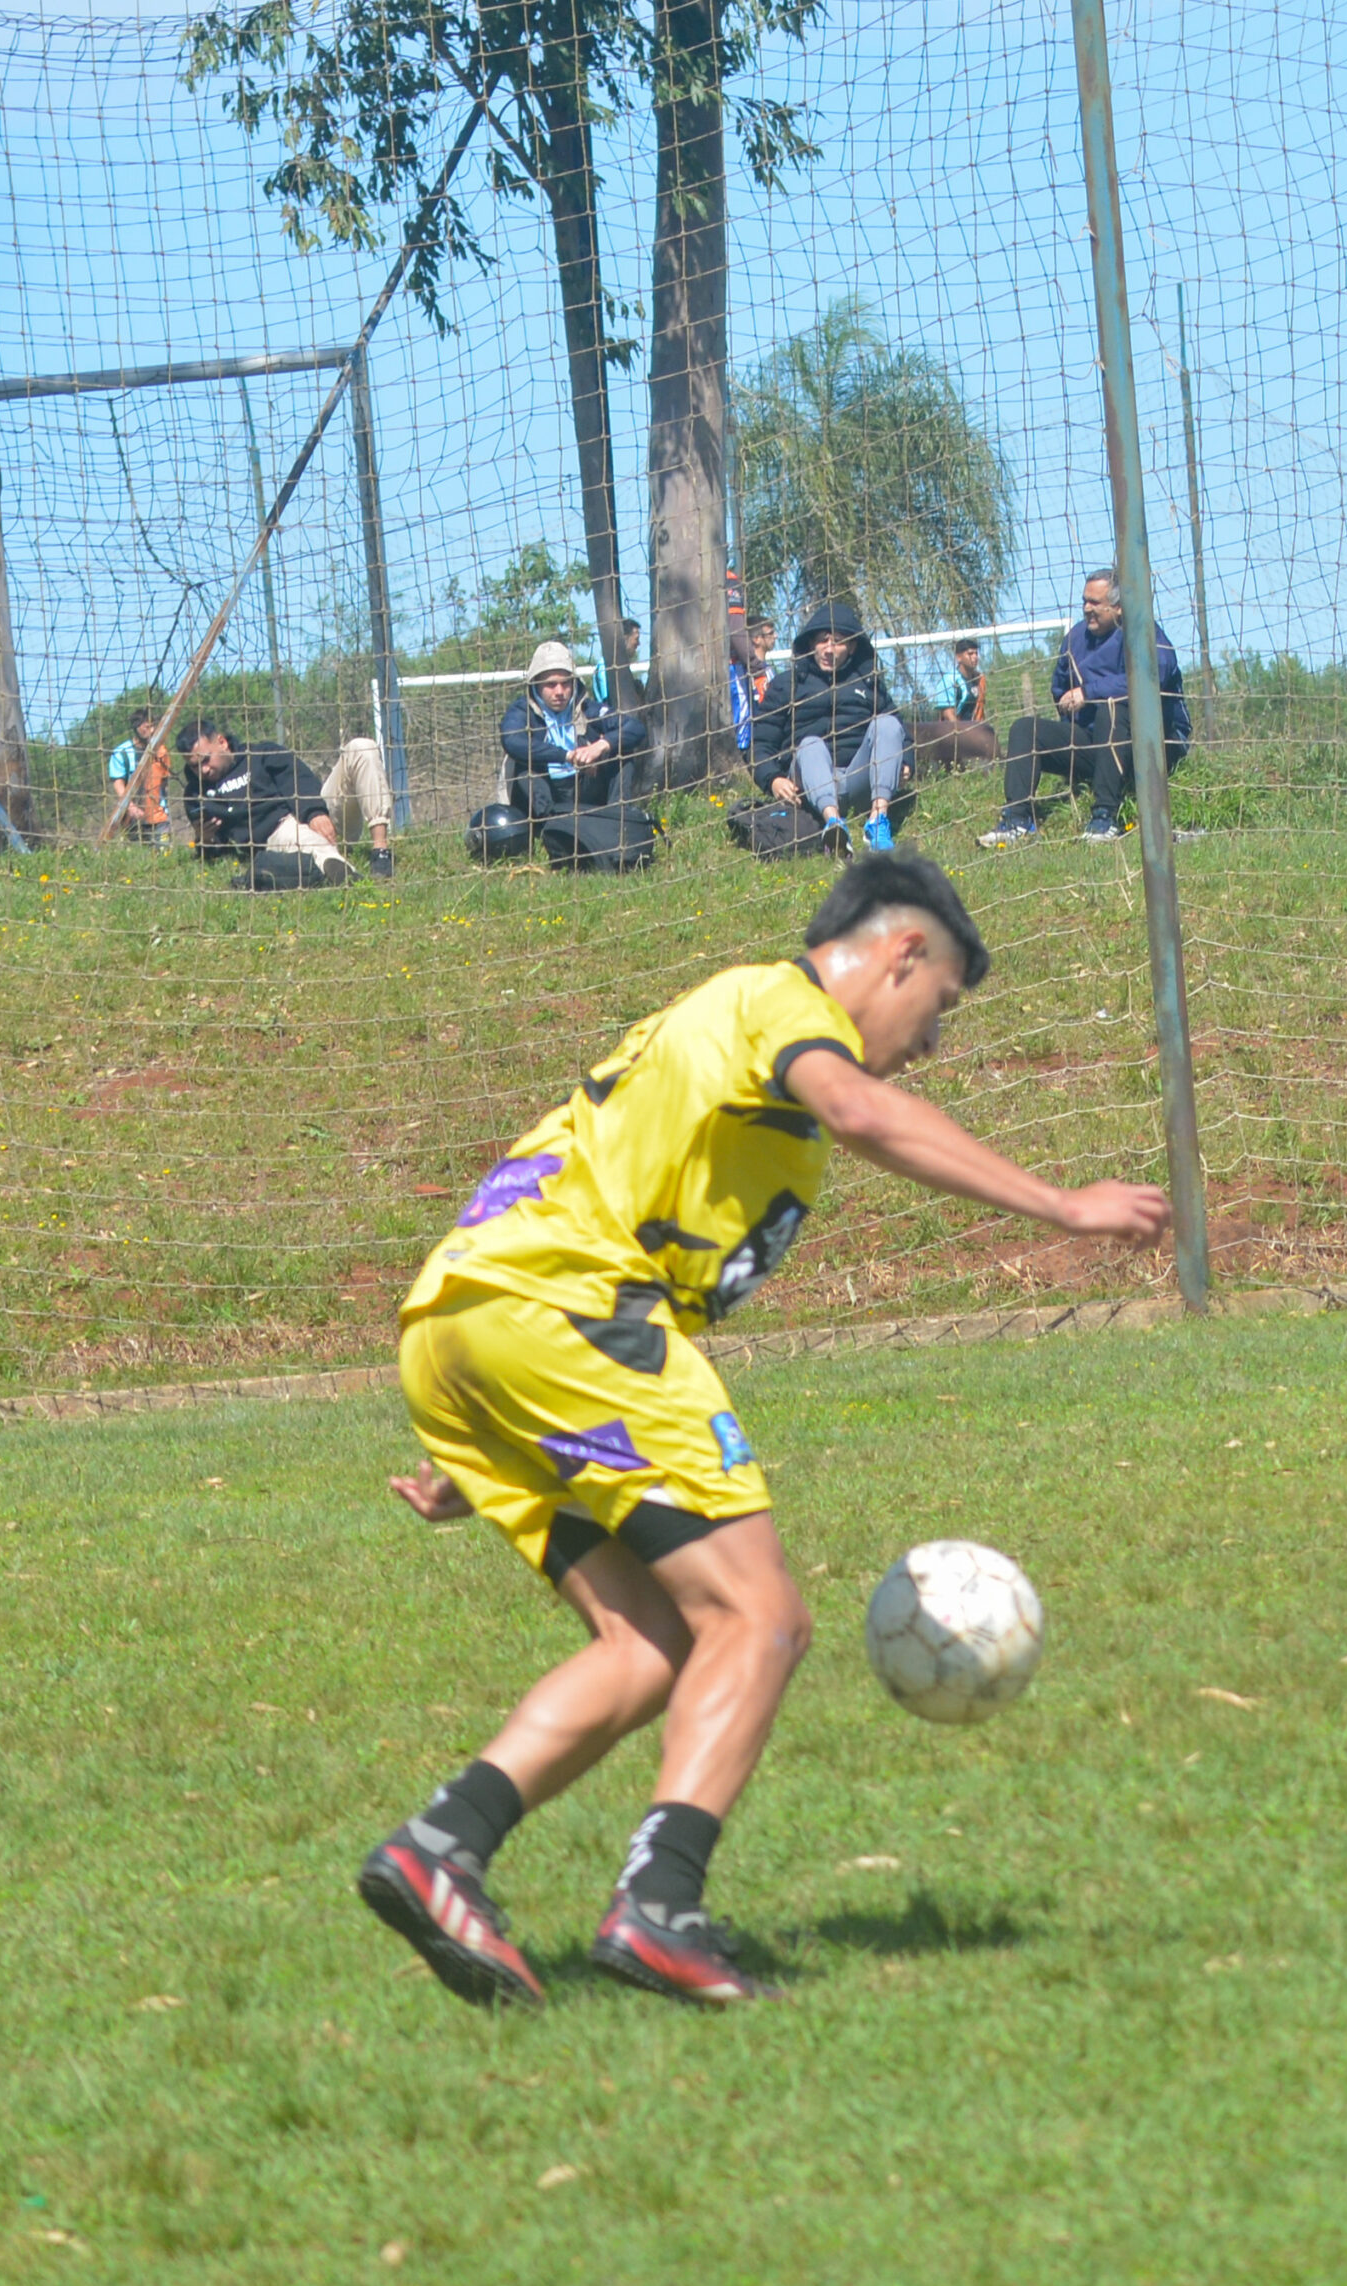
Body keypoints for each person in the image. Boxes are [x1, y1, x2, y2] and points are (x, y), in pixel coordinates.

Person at [360, 855, 1172, 2007]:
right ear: (900, 953)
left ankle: (439, 1849)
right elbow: (860, 1109)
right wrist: (1061, 1204)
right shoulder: (780, 1004)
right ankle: (661, 1909)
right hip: (574, 1313)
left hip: (465, 1324)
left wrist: (496, 1431)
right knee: (762, 1616)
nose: (930, 1043)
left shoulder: (710, 1028)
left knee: (649, 1640)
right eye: (939, 1006)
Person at [978, 575, 1189, 849]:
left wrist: (1089, 692)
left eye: (1095, 602)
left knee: (1111, 708)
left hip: (1151, 745)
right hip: (1094, 743)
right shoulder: (1075, 639)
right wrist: (1067, 703)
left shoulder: (1144, 632)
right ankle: (1017, 819)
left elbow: (1151, 677)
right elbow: (1059, 688)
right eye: (1084, 601)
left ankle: (1105, 817)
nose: (1087, 608)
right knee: (1025, 728)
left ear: (1119, 607)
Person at [752, 602, 906, 855]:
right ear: (811, 643)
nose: (829, 649)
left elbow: (900, 732)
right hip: (808, 784)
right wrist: (773, 779)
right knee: (810, 743)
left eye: (838, 642)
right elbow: (761, 742)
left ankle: (878, 821)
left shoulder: (868, 682)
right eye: (823, 640)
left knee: (887, 723)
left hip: (859, 779)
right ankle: (834, 825)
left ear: (852, 647)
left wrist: (907, 762)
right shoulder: (787, 684)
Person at [178, 721, 397, 882]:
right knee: (308, 842)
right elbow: (221, 853)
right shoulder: (197, 795)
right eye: (194, 766)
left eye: (206, 760)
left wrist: (315, 813)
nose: (203, 770)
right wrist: (205, 840)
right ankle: (351, 880)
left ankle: (381, 850)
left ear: (222, 742)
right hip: (280, 830)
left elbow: (299, 778)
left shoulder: (260, 753)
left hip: (319, 810)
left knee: (361, 747)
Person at [499, 641, 651, 823]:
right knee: (523, 764)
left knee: (621, 751)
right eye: (551, 684)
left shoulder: (587, 708)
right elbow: (512, 740)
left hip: (584, 785)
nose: (560, 692)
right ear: (536, 685)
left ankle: (616, 820)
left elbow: (634, 728)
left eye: (566, 683)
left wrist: (599, 747)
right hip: (544, 791)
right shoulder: (522, 710)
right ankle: (547, 826)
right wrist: (567, 756)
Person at [917, 637, 998, 770]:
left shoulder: (979, 679)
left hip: (975, 732)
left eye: (976, 653)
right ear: (959, 657)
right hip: (952, 737)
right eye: (970, 654)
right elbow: (948, 714)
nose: (975, 657)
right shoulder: (949, 681)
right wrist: (964, 735)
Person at [106, 708, 171, 846]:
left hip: (159, 816)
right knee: (139, 853)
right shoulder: (121, 753)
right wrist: (130, 807)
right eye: (147, 726)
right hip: (132, 819)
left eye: (153, 726)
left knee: (164, 852)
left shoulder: (161, 751)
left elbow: (165, 783)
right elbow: (118, 784)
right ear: (137, 727)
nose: (151, 730)